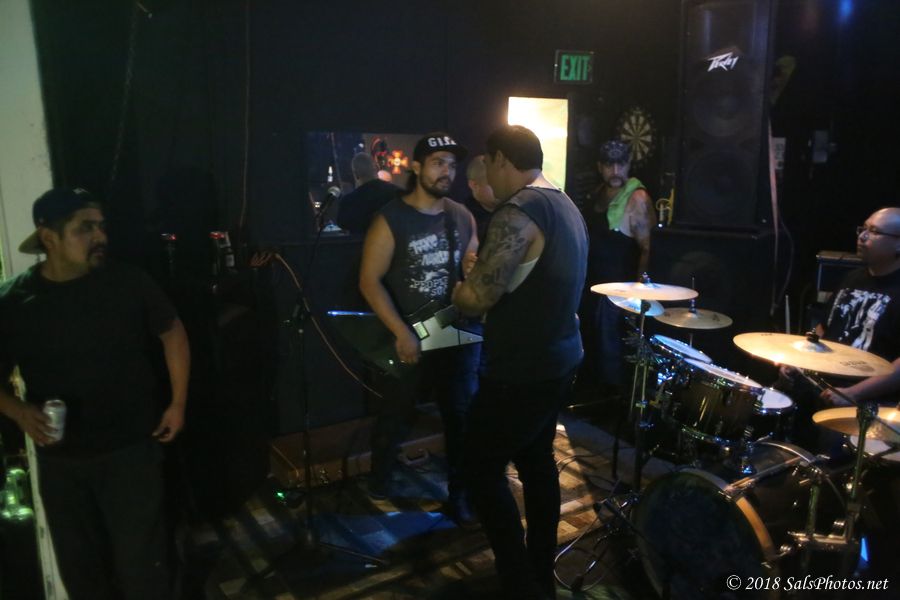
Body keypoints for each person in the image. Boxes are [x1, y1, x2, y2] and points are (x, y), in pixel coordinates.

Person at [0, 188, 190, 600]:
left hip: (131, 452)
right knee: (81, 573)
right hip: (61, 461)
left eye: (101, 226)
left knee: (144, 571)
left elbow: (172, 331)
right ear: (49, 237)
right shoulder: (15, 301)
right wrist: (17, 410)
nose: (100, 236)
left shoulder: (127, 281)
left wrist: (177, 403)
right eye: (85, 228)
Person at [452, 125, 588, 600]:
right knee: (536, 461)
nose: (487, 176)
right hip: (560, 359)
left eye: (488, 164)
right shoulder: (564, 203)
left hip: (520, 370)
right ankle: (539, 570)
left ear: (502, 159)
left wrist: (462, 286)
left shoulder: (519, 209)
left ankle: (518, 581)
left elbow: (476, 299)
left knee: (480, 468)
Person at [358, 132, 479, 527]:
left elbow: (472, 270)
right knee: (395, 415)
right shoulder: (391, 218)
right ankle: (379, 482)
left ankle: (460, 496)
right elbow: (369, 280)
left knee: (461, 418)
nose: (447, 171)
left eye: (452, 164)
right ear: (415, 167)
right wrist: (401, 331)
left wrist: (474, 276)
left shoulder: (461, 215)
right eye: (438, 162)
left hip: (454, 333)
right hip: (409, 333)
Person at [781, 207, 900, 581]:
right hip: (829, 386)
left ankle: (834, 550)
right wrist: (797, 356)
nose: (862, 236)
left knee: (832, 452)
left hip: (869, 401)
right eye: (862, 228)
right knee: (773, 413)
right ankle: (782, 519)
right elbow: (825, 328)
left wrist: (854, 394)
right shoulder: (851, 278)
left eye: (874, 232)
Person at [581, 140, 654, 393]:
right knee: (591, 353)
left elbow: (648, 249)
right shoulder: (597, 193)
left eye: (620, 164)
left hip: (618, 295)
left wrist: (638, 295)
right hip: (592, 288)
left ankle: (611, 404)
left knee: (611, 359)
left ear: (629, 164)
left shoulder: (637, 198)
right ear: (599, 166)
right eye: (609, 164)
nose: (615, 170)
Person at [337, 152, 402, 236]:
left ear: (356, 174)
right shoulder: (397, 193)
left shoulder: (348, 201)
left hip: (361, 244)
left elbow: (342, 224)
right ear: (377, 168)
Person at [463, 154, 500, 245]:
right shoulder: (462, 220)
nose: (501, 187)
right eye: (493, 183)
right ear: (474, 185)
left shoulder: (513, 210)